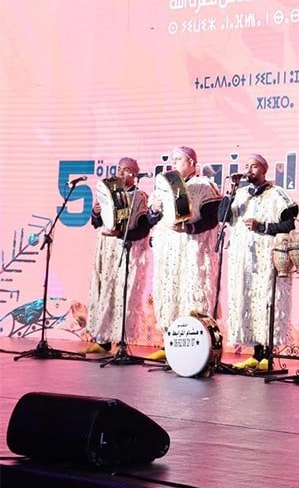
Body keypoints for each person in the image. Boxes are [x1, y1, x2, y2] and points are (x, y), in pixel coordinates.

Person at [220, 154, 298, 371]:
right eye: (247, 166)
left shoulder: (276, 194)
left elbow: (289, 224)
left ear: (264, 170)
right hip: (243, 259)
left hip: (267, 257)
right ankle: (255, 354)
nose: (249, 170)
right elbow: (222, 217)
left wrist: (263, 226)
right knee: (248, 301)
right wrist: (231, 192)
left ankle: (268, 356)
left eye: (254, 166)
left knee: (267, 301)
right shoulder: (240, 194)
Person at [146, 146, 221, 360]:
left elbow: (212, 219)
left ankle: (196, 347)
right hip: (168, 251)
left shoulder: (204, 186)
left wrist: (189, 228)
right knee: (168, 293)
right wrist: (154, 210)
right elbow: (151, 220)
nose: (174, 163)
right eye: (173, 159)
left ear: (191, 163)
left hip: (193, 250)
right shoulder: (163, 186)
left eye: (178, 159)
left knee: (192, 294)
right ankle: (169, 343)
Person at [85, 157, 152, 353]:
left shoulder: (140, 197)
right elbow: (96, 223)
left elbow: (144, 228)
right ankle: (102, 340)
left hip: (127, 250)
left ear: (135, 173)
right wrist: (95, 212)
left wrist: (122, 234)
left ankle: (122, 341)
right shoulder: (108, 192)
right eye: (120, 169)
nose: (122, 173)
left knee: (124, 294)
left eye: (127, 170)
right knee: (105, 291)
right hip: (107, 250)